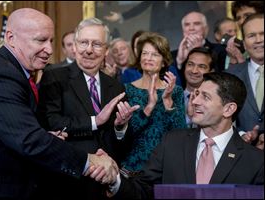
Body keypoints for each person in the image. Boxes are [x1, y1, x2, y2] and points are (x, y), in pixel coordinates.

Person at [0, 8, 119, 199]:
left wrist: (45, 135)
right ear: (11, 38)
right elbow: (28, 140)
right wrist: (90, 160)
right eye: (40, 40)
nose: (48, 49)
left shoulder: (10, 71)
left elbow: (14, 131)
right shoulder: (0, 76)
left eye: (51, 41)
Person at [93, 72, 264, 199]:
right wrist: (114, 180)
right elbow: (142, 189)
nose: (195, 101)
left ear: (228, 109)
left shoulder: (256, 162)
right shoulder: (171, 142)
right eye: (197, 94)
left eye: (205, 97)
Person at [36, 17, 139, 200]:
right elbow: (50, 122)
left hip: (105, 184)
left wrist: (120, 127)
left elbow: (123, 145)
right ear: (74, 46)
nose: (89, 50)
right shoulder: (54, 76)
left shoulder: (116, 87)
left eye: (97, 44)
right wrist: (95, 121)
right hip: (68, 180)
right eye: (84, 42)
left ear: (106, 50)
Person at [120, 32, 186, 174]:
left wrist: (167, 102)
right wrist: (149, 107)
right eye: (145, 53)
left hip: (166, 167)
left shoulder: (176, 91)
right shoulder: (127, 90)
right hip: (133, 167)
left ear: (164, 61)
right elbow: (125, 135)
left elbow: (180, 134)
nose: (148, 58)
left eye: (155, 54)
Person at [226, 13, 264, 150]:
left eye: (263, 33)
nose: (258, 40)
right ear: (244, 44)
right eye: (251, 35)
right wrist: (242, 134)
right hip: (243, 155)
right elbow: (224, 117)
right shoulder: (231, 75)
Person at [104, 1, 199, 49]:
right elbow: (141, 7)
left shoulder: (189, 2)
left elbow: (196, 15)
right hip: (158, 37)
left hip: (178, 40)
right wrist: (121, 16)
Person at [171, 11, 227, 87]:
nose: (191, 28)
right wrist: (179, 62)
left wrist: (198, 50)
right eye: (187, 25)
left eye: (196, 24)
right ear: (183, 30)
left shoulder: (220, 50)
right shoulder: (173, 55)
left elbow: (221, 80)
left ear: (206, 29)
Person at [182, 47, 215, 128]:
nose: (194, 71)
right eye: (190, 64)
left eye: (201, 66)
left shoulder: (215, 103)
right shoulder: (172, 97)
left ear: (211, 72)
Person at [226, 1, 264, 66]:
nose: (241, 21)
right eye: (238, 18)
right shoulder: (237, 50)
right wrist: (234, 59)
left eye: (247, 15)